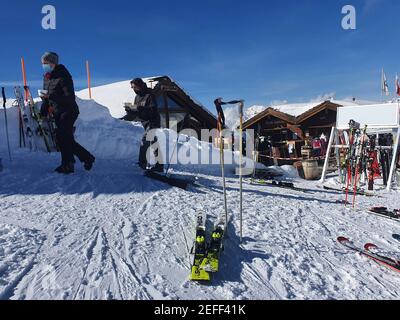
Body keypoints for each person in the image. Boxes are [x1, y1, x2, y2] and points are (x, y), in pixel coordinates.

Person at [40, 52, 95, 174]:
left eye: (45, 63)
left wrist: (51, 96)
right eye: (42, 64)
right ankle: (87, 158)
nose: (44, 66)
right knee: (66, 138)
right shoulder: (47, 77)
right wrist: (44, 106)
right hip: (57, 111)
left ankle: (68, 165)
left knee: (62, 137)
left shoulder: (63, 75)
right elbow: (46, 96)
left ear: (53, 63)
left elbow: (69, 97)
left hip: (69, 110)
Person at [122, 78, 163, 172]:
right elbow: (138, 111)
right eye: (132, 87)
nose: (133, 89)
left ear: (140, 85)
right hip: (145, 122)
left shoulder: (149, 95)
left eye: (135, 86)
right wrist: (130, 110)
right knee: (153, 142)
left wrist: (138, 108)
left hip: (153, 121)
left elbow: (152, 110)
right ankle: (160, 165)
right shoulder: (137, 97)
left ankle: (142, 163)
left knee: (145, 140)